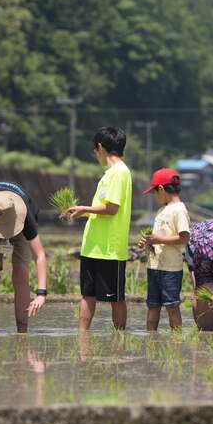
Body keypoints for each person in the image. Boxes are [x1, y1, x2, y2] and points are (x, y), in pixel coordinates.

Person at [68, 126, 132, 331]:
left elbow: (112, 208)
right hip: (92, 246)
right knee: (87, 294)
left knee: (116, 298)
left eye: (95, 152)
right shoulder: (108, 174)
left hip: (110, 249)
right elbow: (102, 208)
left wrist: (84, 208)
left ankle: (119, 340)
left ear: (100, 147)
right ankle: (82, 337)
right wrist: (83, 211)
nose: (96, 156)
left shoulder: (120, 172)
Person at [0, 182, 48, 332]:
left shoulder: (26, 215)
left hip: (17, 223)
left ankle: (22, 332)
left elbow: (39, 256)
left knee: (20, 273)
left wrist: (41, 293)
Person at [138, 168, 190, 331]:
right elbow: (158, 236)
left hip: (170, 269)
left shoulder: (179, 210)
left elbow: (184, 237)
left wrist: (159, 239)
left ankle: (176, 341)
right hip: (154, 266)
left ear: (161, 189)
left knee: (171, 306)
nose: (155, 196)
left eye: (154, 192)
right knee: (152, 305)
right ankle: (151, 339)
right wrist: (147, 242)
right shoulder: (162, 211)